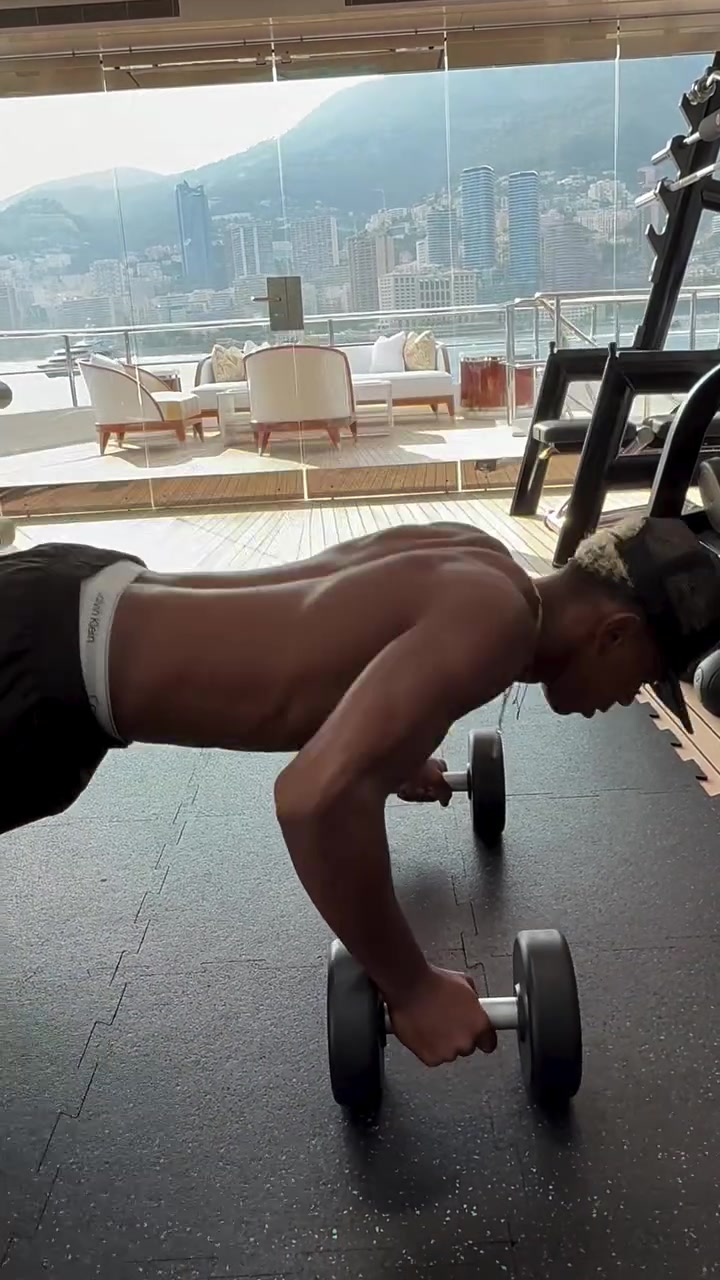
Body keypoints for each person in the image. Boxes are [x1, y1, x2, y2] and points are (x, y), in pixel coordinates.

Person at [3, 514, 720, 1067]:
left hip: (71, 592)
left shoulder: (478, 556)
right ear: (615, 633)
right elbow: (314, 800)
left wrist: (393, 747)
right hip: (37, 669)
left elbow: (317, 635)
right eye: (644, 679)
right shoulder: (497, 628)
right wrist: (411, 987)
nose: (626, 700)